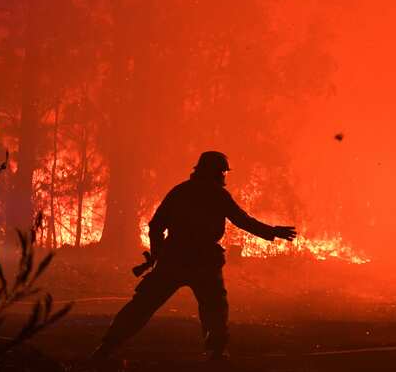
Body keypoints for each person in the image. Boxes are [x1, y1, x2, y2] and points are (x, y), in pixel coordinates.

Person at [93, 151, 296, 360]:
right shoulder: (218, 195)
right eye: (222, 172)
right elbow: (243, 221)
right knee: (215, 307)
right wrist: (272, 232)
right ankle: (216, 351)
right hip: (203, 261)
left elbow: (156, 226)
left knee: (143, 304)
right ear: (215, 172)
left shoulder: (180, 191)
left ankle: (108, 346)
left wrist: (158, 254)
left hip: (174, 259)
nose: (224, 176)